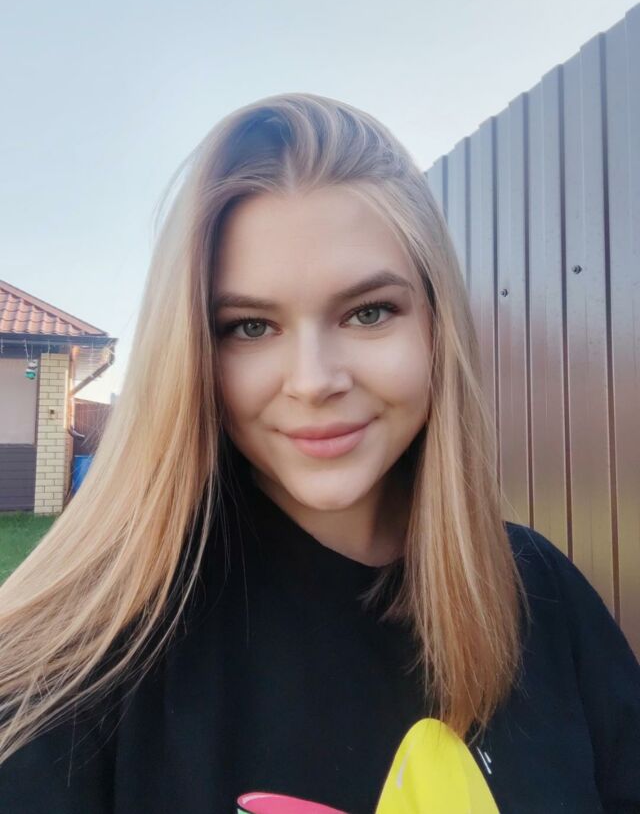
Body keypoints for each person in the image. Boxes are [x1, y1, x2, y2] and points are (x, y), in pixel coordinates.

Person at [0, 93, 638, 814]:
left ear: (438, 325)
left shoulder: (543, 597)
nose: (313, 381)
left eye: (369, 312)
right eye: (249, 326)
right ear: (190, 355)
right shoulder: (78, 671)